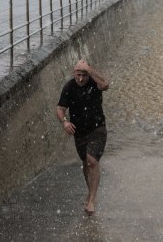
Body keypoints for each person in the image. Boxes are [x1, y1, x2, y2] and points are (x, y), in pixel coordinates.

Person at [56, 59, 109, 216]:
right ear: (74, 73)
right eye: (78, 75)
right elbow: (60, 108)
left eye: (84, 75)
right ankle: (91, 194)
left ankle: (92, 200)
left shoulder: (94, 82)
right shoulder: (69, 87)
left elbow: (105, 85)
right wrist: (65, 122)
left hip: (97, 128)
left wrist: (90, 70)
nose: (81, 79)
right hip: (79, 131)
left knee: (92, 161)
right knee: (86, 163)